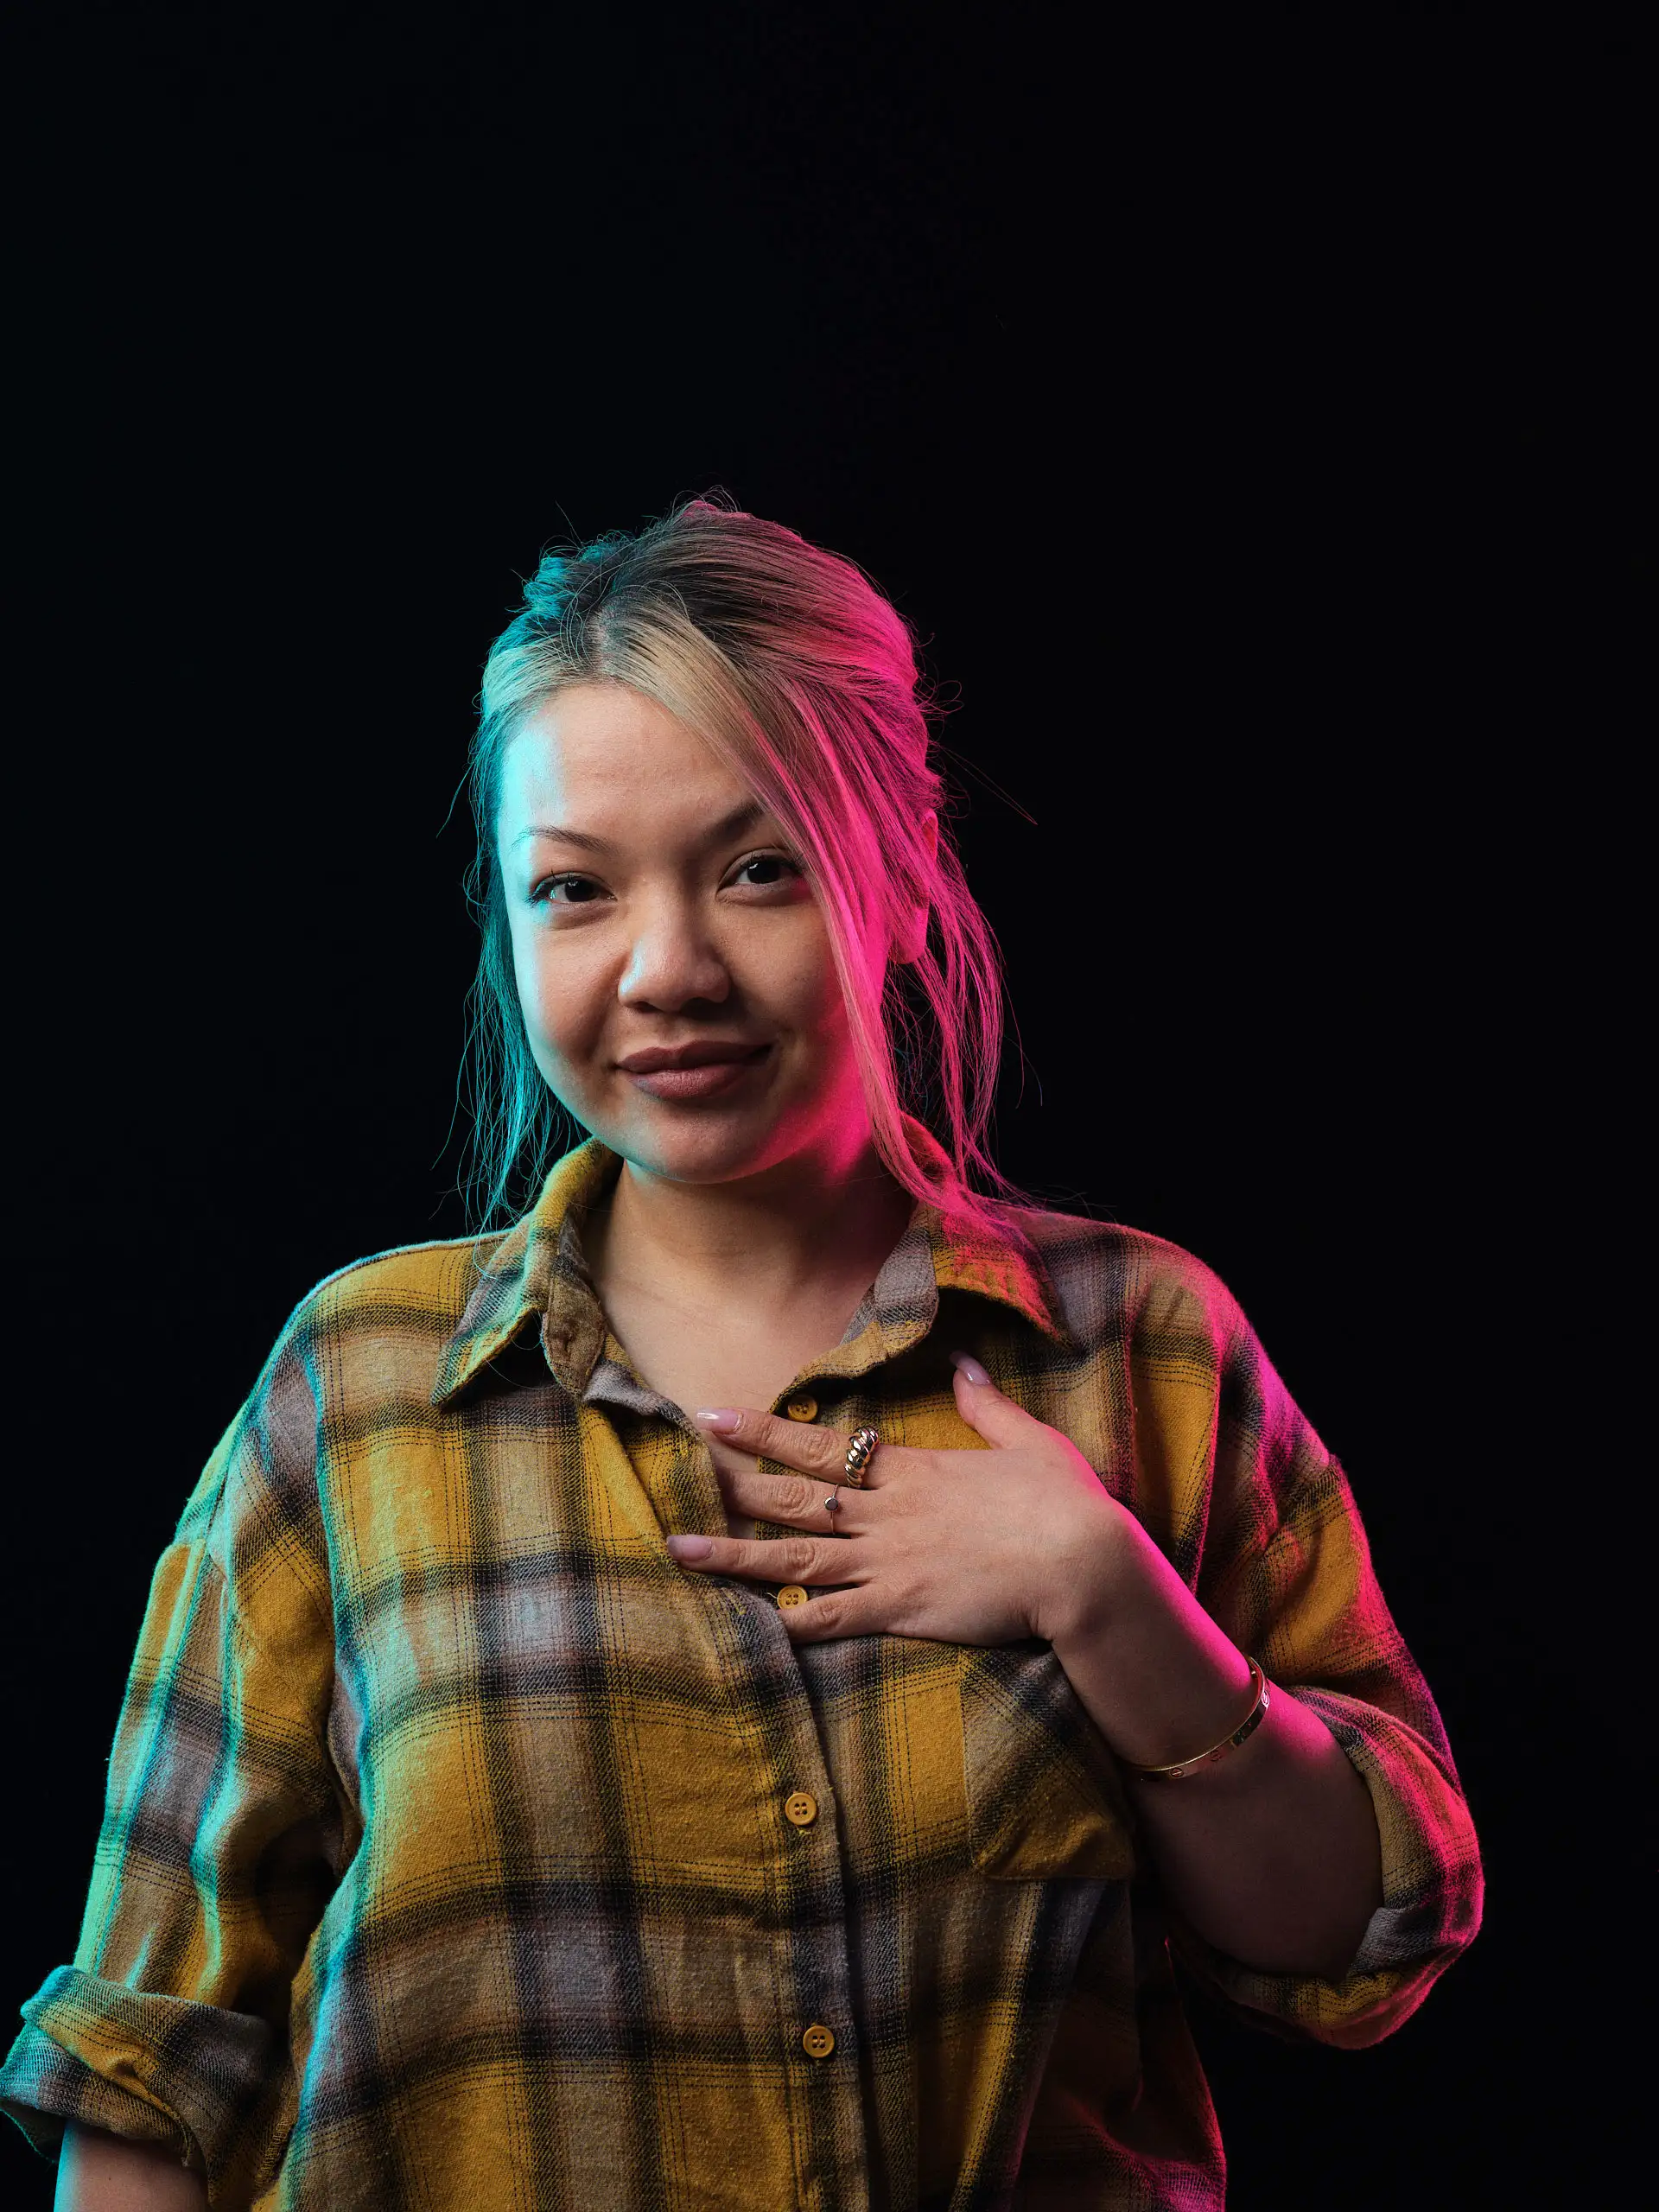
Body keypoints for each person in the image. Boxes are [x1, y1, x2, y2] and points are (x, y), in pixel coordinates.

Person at [2, 498, 1483, 2210]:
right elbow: (152, 2066)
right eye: (575, 889)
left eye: (756, 866)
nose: (669, 968)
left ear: (902, 877)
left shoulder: (1140, 1342)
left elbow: (1371, 1930)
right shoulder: (358, 1386)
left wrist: (1107, 1593)